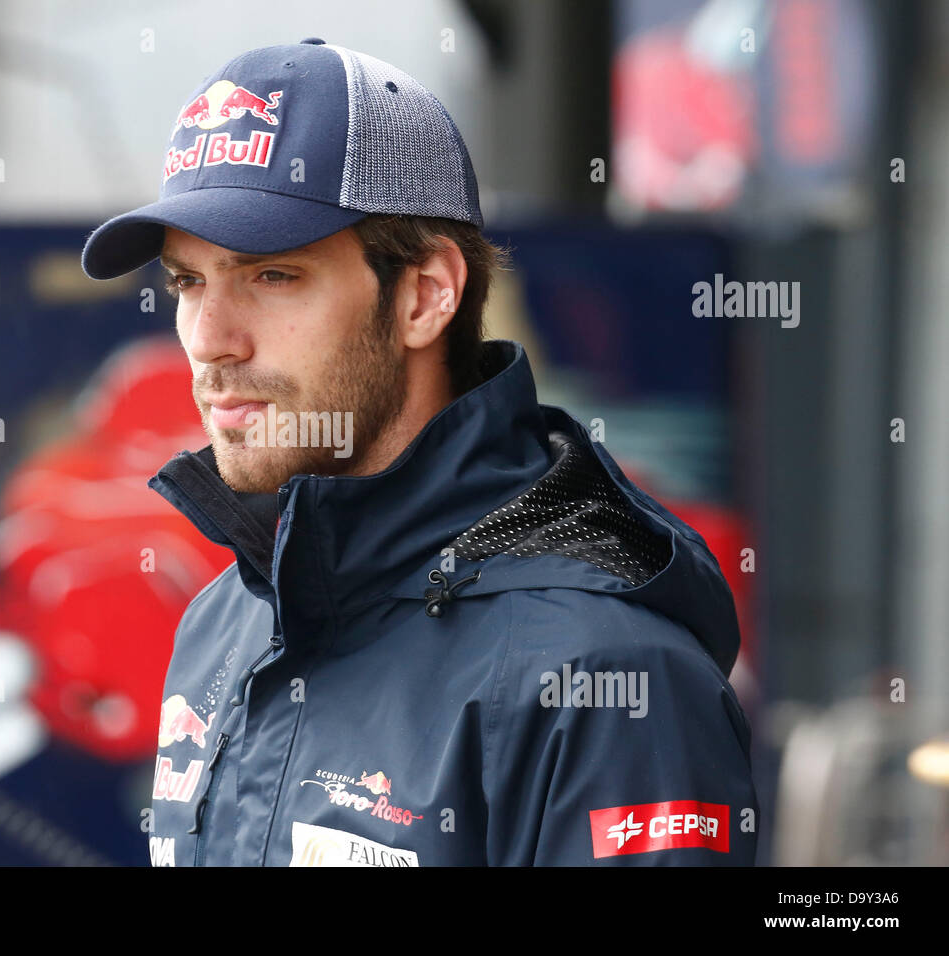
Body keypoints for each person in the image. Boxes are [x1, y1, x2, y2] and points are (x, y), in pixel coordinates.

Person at [82, 38, 758, 866]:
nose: (210, 341)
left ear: (425, 296)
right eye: (188, 282)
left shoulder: (611, 677)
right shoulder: (228, 619)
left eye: (271, 276)